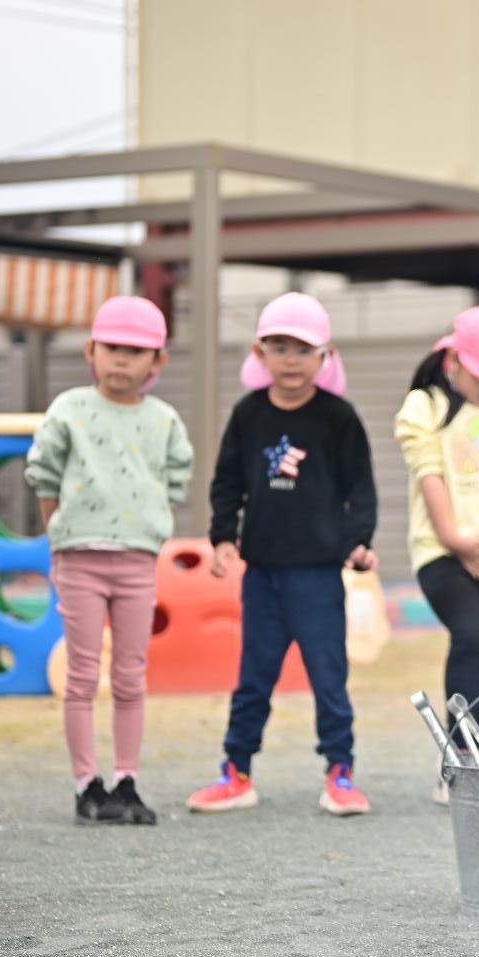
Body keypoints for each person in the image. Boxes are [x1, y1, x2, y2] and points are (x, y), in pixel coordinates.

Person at [187, 291, 377, 817]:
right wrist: (223, 537)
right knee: (254, 676)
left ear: (326, 355)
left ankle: (341, 771)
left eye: (303, 348)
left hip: (318, 574)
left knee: (328, 675)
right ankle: (236, 771)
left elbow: (360, 488)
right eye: (279, 346)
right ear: (259, 351)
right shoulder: (248, 415)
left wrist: (360, 539)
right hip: (263, 573)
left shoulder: (338, 418)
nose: (291, 358)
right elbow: (227, 482)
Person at [24, 296, 193, 825]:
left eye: (137, 351)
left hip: (138, 560)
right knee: (81, 673)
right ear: (91, 350)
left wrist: (146, 526)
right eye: (112, 348)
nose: (122, 359)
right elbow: (43, 474)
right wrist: (58, 531)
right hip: (79, 557)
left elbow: (175, 479)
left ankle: (126, 780)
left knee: (130, 674)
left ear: (158, 361)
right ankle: (85, 783)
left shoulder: (164, 419)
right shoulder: (70, 408)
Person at [394, 304, 479, 798]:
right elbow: (428, 474)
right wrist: (454, 539)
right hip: (443, 553)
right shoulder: (424, 406)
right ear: (453, 361)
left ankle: (471, 751)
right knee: (471, 635)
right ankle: (453, 755)